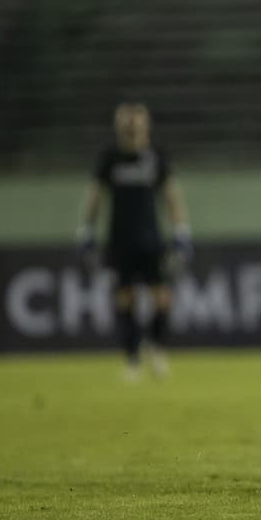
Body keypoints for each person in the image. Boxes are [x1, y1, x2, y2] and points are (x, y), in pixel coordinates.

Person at [77, 102, 193, 380]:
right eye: (126, 123)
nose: (131, 128)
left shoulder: (156, 158)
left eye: (136, 123)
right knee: (125, 299)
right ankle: (132, 360)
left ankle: (156, 346)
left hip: (152, 240)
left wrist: (181, 231)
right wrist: (86, 230)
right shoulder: (110, 159)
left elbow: (171, 195)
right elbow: (95, 196)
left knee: (162, 298)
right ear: (118, 127)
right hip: (120, 241)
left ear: (145, 126)